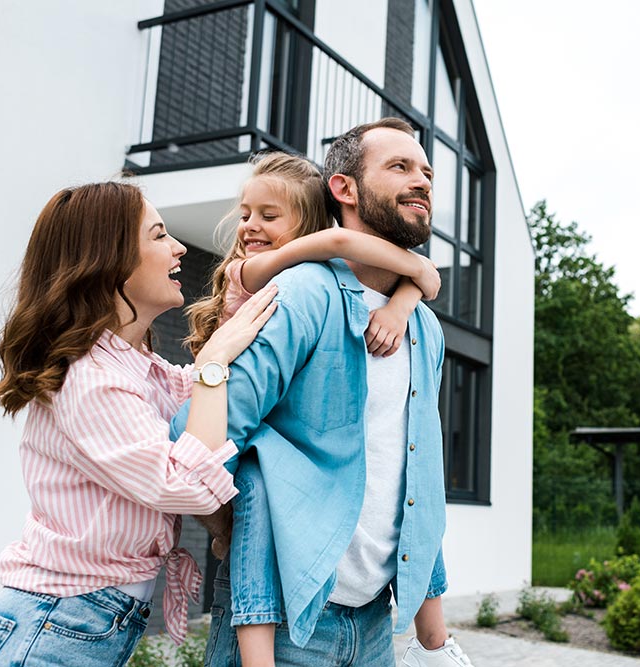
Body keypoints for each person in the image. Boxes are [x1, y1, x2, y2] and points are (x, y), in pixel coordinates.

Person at [172, 118, 472, 666]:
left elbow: (418, 482)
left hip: (376, 626)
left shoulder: (425, 328)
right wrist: (230, 532)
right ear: (345, 189)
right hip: (282, 627)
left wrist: (437, 640)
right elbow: (203, 434)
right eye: (400, 167)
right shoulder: (301, 293)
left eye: (427, 171)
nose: (423, 180)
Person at [0, 182, 279, 666]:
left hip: (77, 620)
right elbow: (189, 485)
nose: (178, 248)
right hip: (55, 625)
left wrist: (234, 319)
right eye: (158, 236)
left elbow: (197, 396)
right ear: (107, 260)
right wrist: (216, 359)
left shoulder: (135, 366)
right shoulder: (90, 378)